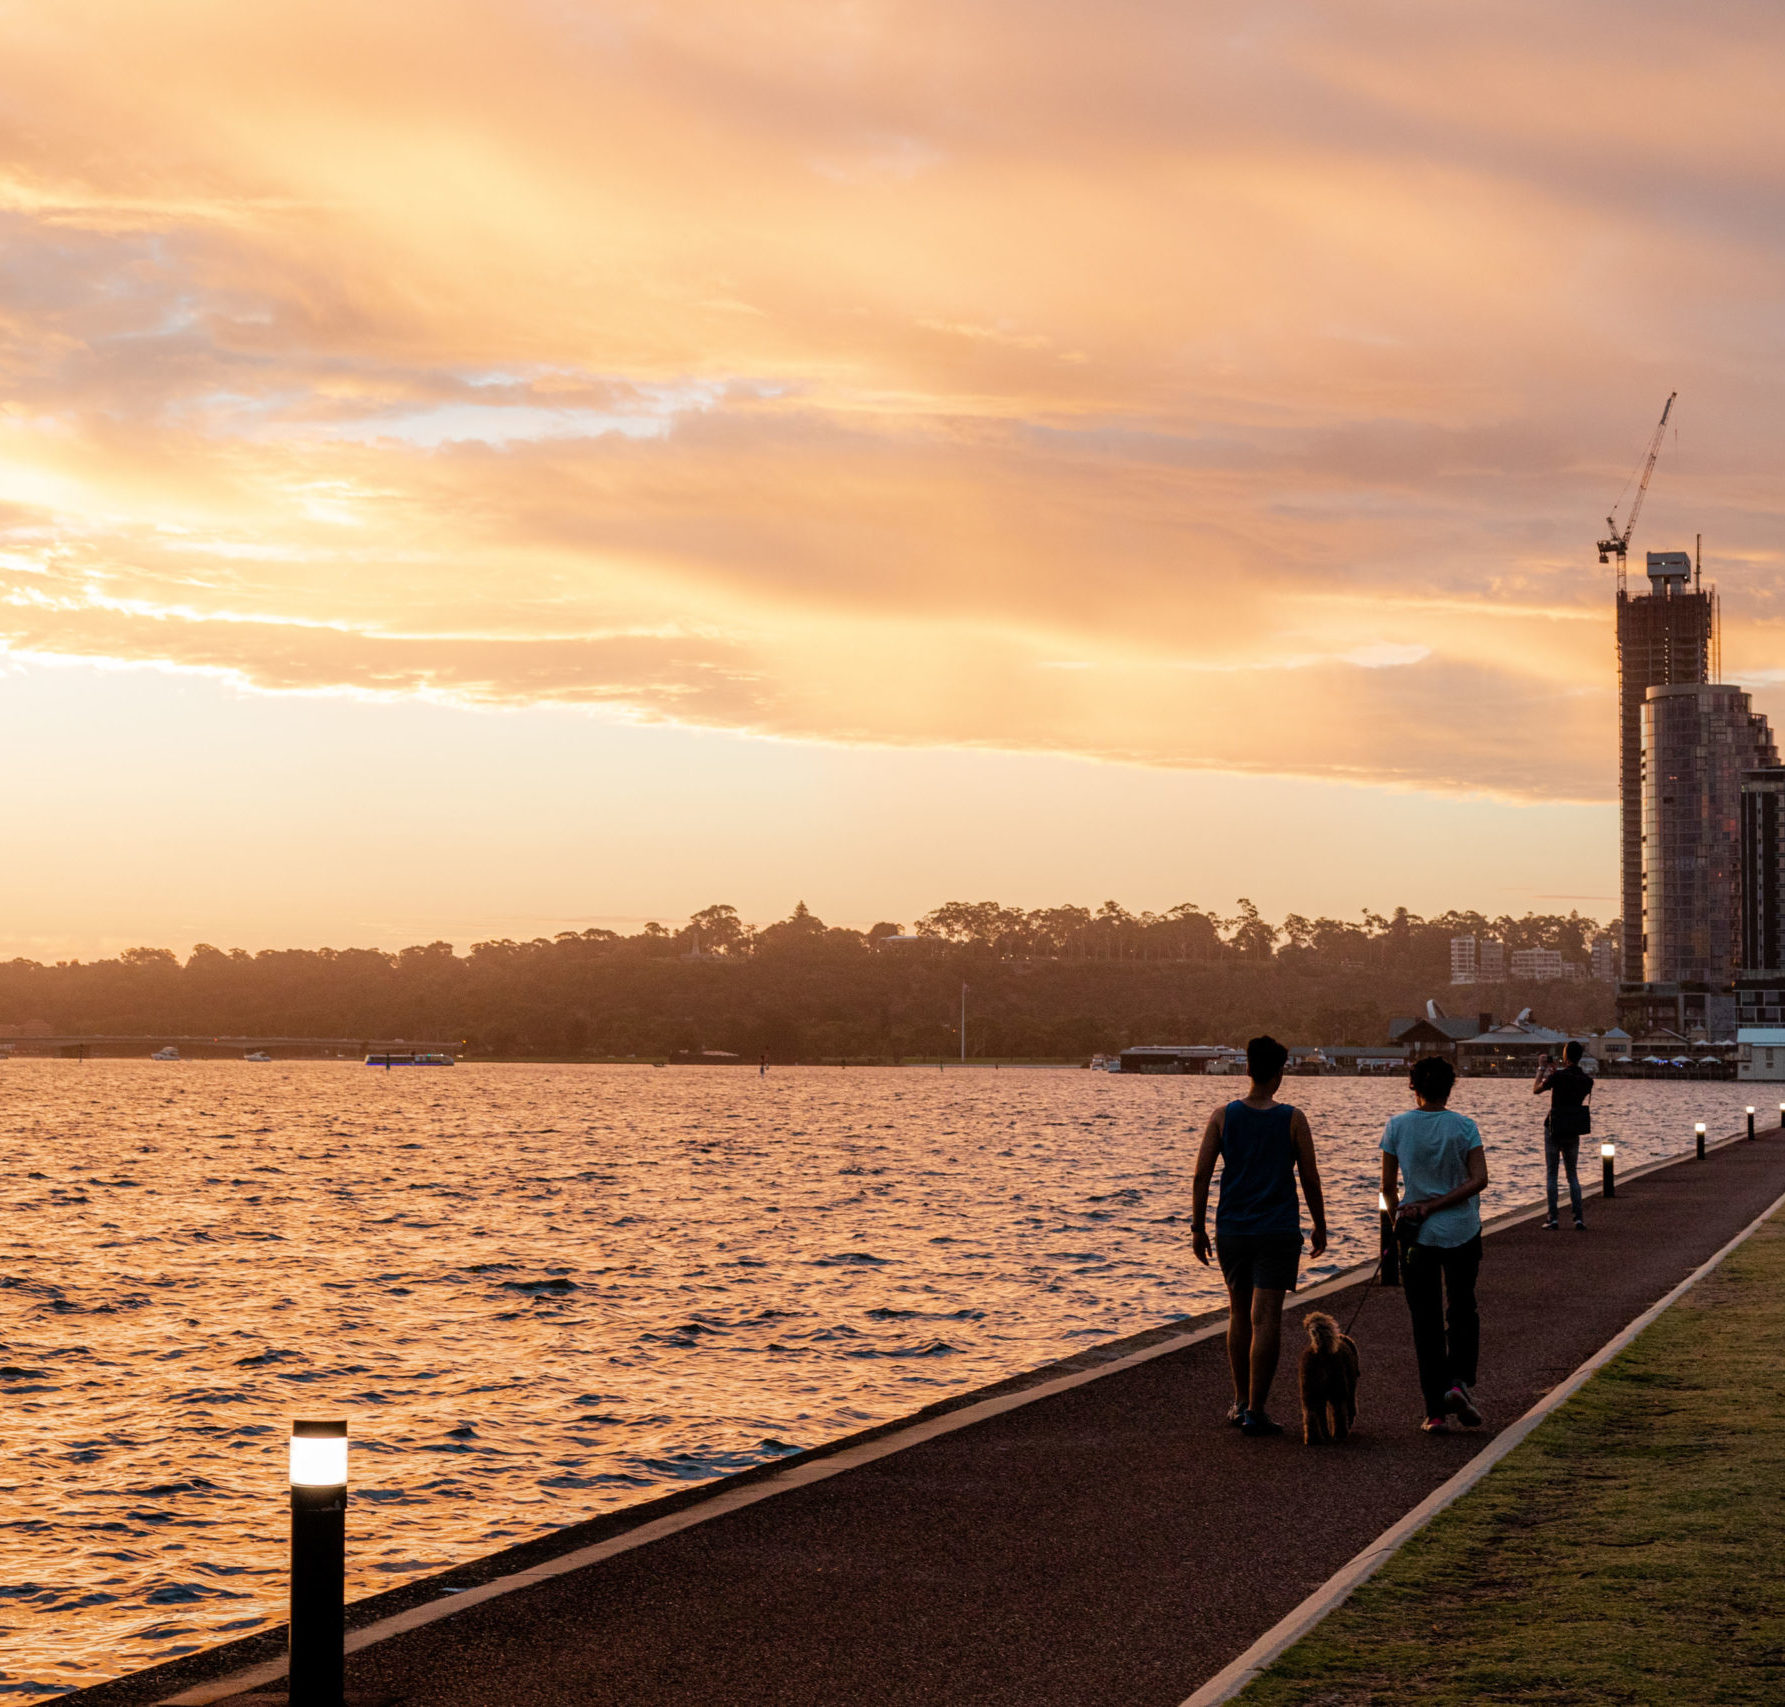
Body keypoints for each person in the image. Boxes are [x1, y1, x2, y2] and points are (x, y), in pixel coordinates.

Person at [1192, 1034, 1328, 1438]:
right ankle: (1256, 1409)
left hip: (1232, 1229)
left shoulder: (1223, 1116)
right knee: (1266, 1317)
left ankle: (1238, 1401)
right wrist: (1320, 1223)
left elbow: (1201, 1175)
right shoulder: (1292, 1118)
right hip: (1277, 1230)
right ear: (1279, 1073)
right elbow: (1309, 1175)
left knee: (1239, 1314)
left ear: (1248, 1068)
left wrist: (1197, 1227)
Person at [1381, 1056, 1490, 1435]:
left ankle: (1435, 1411)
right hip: (1462, 1229)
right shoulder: (1464, 1127)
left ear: (1414, 1087)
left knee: (1423, 1320)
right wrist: (1441, 1204)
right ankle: (1458, 1383)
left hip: (1419, 1237)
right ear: (1450, 1086)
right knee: (1462, 1308)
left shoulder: (1397, 1126)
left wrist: (1408, 1212)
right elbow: (1479, 1180)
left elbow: (1387, 1187)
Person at [1533, 1041, 1593, 1230]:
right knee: (1572, 1174)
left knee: (1552, 1174)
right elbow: (1572, 1085)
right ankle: (1578, 1218)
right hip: (1573, 1128)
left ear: (1566, 1056)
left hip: (1554, 1127)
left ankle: (1553, 1218)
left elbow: (1536, 1090)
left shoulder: (1558, 1076)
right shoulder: (1587, 1080)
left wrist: (1542, 1069)